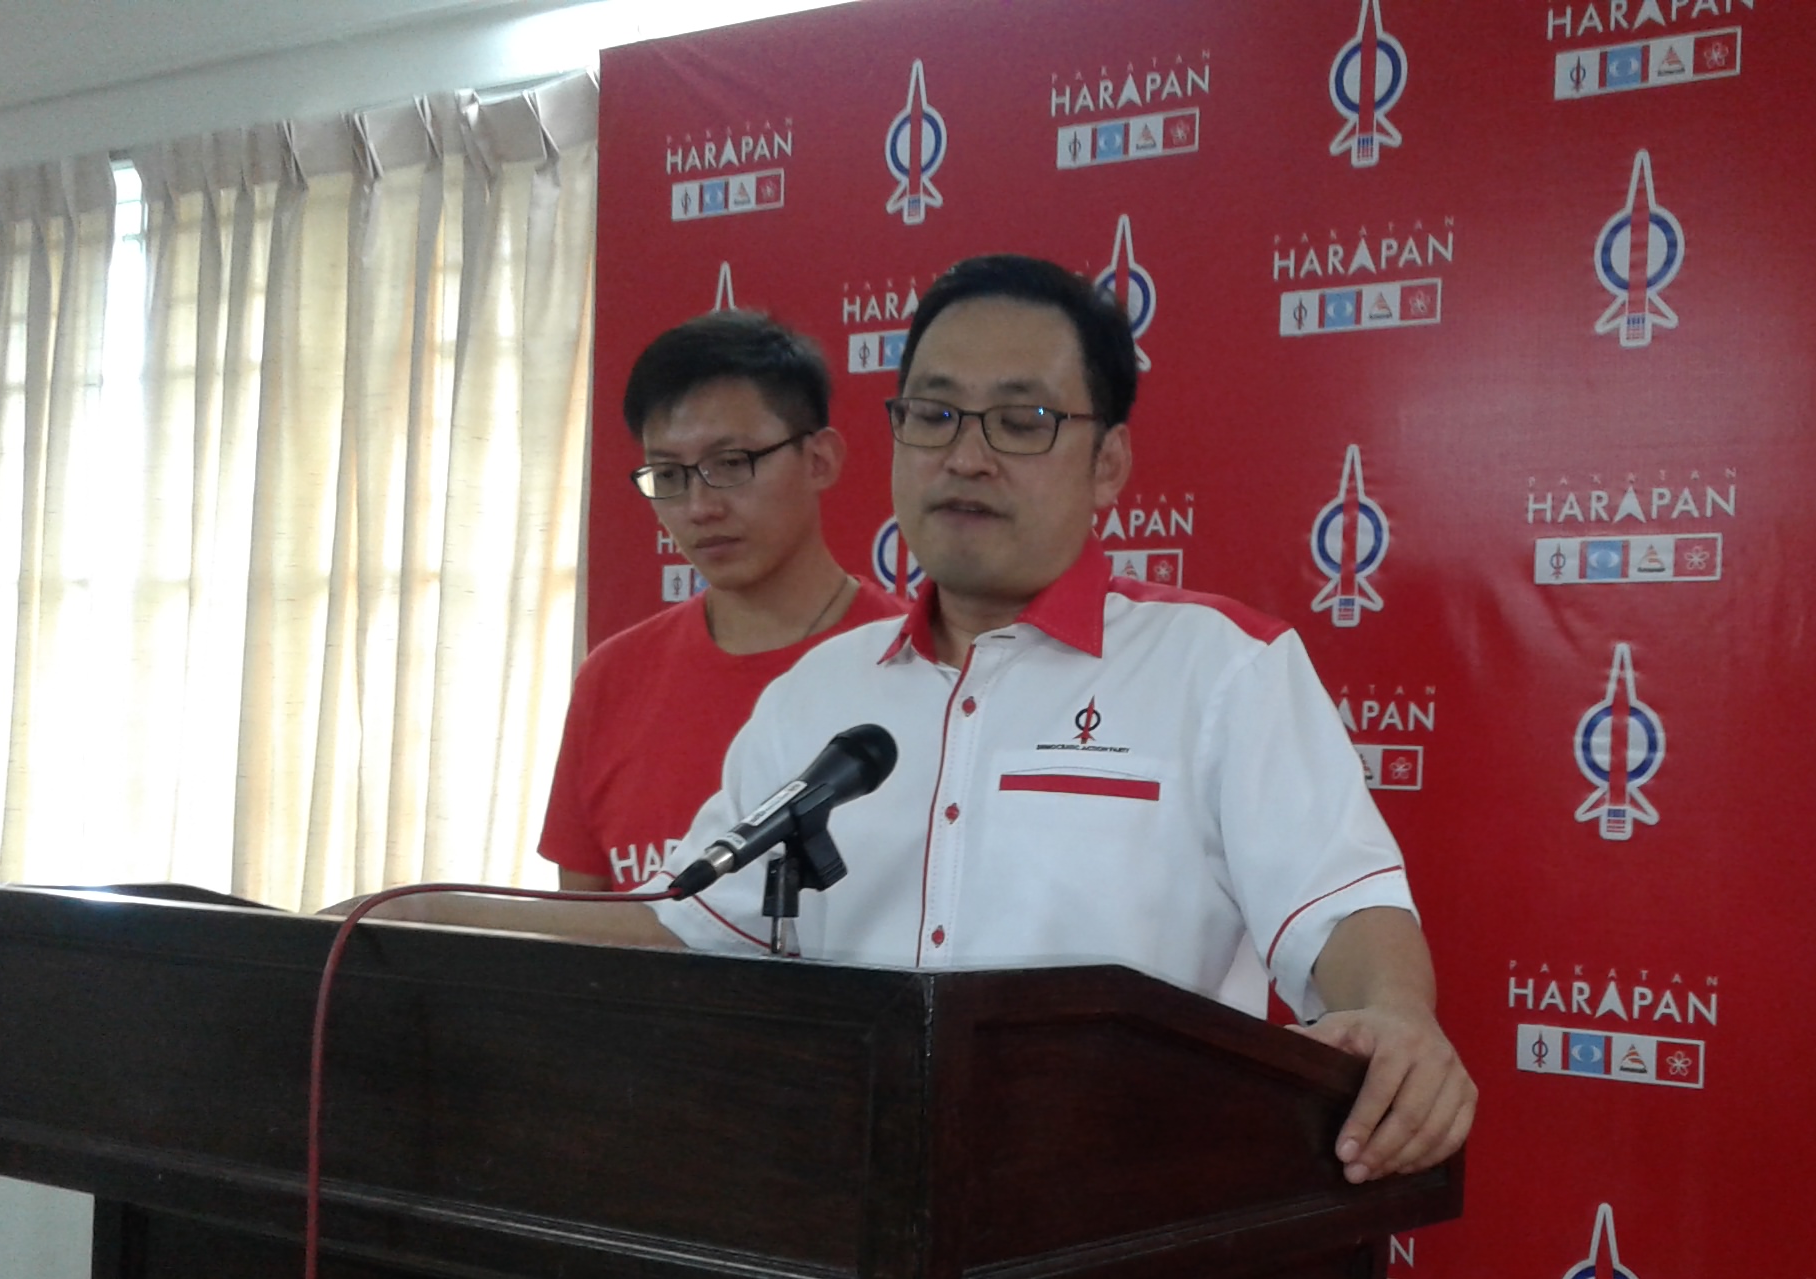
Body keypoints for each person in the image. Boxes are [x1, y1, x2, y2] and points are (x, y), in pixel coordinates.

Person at [364, 256, 1473, 1184]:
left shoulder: (1219, 669)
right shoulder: (818, 696)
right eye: (934, 415)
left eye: (1022, 421)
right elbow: (688, 927)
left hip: (1111, 1221)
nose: (966, 455)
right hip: (837, 1221)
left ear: (1109, 465)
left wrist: (1396, 1018)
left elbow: (1342, 914)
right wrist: (421, 915)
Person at [537, 311, 904, 890]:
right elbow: (581, 926)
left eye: (731, 464)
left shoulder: (915, 660)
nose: (699, 507)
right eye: (669, 475)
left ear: (820, 460)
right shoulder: (613, 679)